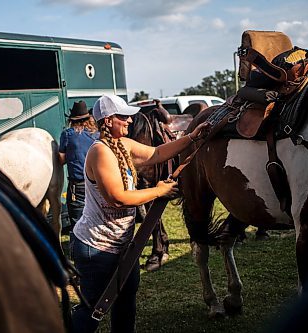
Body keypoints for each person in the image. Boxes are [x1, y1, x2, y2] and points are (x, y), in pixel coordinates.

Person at [70, 94, 210, 333]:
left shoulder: (123, 145)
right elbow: (118, 198)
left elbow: (156, 154)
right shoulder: (100, 152)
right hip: (97, 247)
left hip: (122, 246)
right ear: (107, 121)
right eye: (123, 117)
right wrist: (158, 191)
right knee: (93, 308)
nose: (129, 121)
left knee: (125, 301)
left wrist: (191, 137)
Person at [59, 100, 99, 237]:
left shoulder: (67, 134)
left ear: (72, 120)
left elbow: (61, 160)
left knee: (77, 222)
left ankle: (79, 254)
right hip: (97, 184)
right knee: (97, 219)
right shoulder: (97, 135)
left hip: (78, 185)